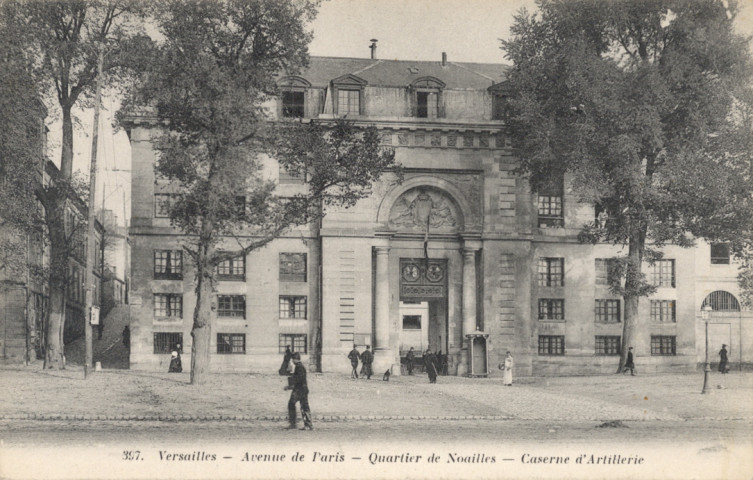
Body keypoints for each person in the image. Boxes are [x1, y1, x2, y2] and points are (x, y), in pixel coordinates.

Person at [284, 352, 313, 430]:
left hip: (299, 390)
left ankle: (293, 424)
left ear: (295, 359)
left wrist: (290, 386)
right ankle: (308, 425)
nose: (292, 361)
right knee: (304, 406)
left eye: (292, 359)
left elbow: (298, 379)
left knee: (292, 404)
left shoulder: (299, 367)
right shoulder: (299, 366)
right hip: (303, 389)